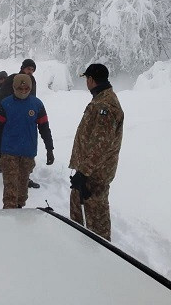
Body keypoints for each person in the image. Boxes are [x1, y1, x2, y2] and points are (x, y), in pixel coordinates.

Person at [69, 63, 124, 241]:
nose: (86, 82)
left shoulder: (106, 106)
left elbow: (101, 144)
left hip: (95, 174)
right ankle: (80, 248)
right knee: (78, 213)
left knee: (97, 220)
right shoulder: (100, 100)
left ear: (91, 80)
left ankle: (101, 255)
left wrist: (84, 172)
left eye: (86, 79)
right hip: (88, 171)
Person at [0, 74, 54, 208]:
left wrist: (50, 148)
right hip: (9, 152)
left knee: (22, 190)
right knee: (10, 189)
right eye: (20, 89)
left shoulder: (37, 105)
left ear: (30, 88)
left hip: (28, 152)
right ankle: (9, 216)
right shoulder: (5, 104)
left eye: (26, 89)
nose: (23, 91)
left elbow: (44, 128)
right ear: (14, 88)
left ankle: (19, 211)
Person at [0, 59, 42, 188]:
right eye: (28, 69)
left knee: (24, 149)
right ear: (23, 68)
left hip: (25, 120)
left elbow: (32, 98)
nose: (30, 71)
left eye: (32, 69)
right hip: (9, 118)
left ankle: (24, 178)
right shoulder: (12, 79)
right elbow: (2, 98)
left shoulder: (32, 81)